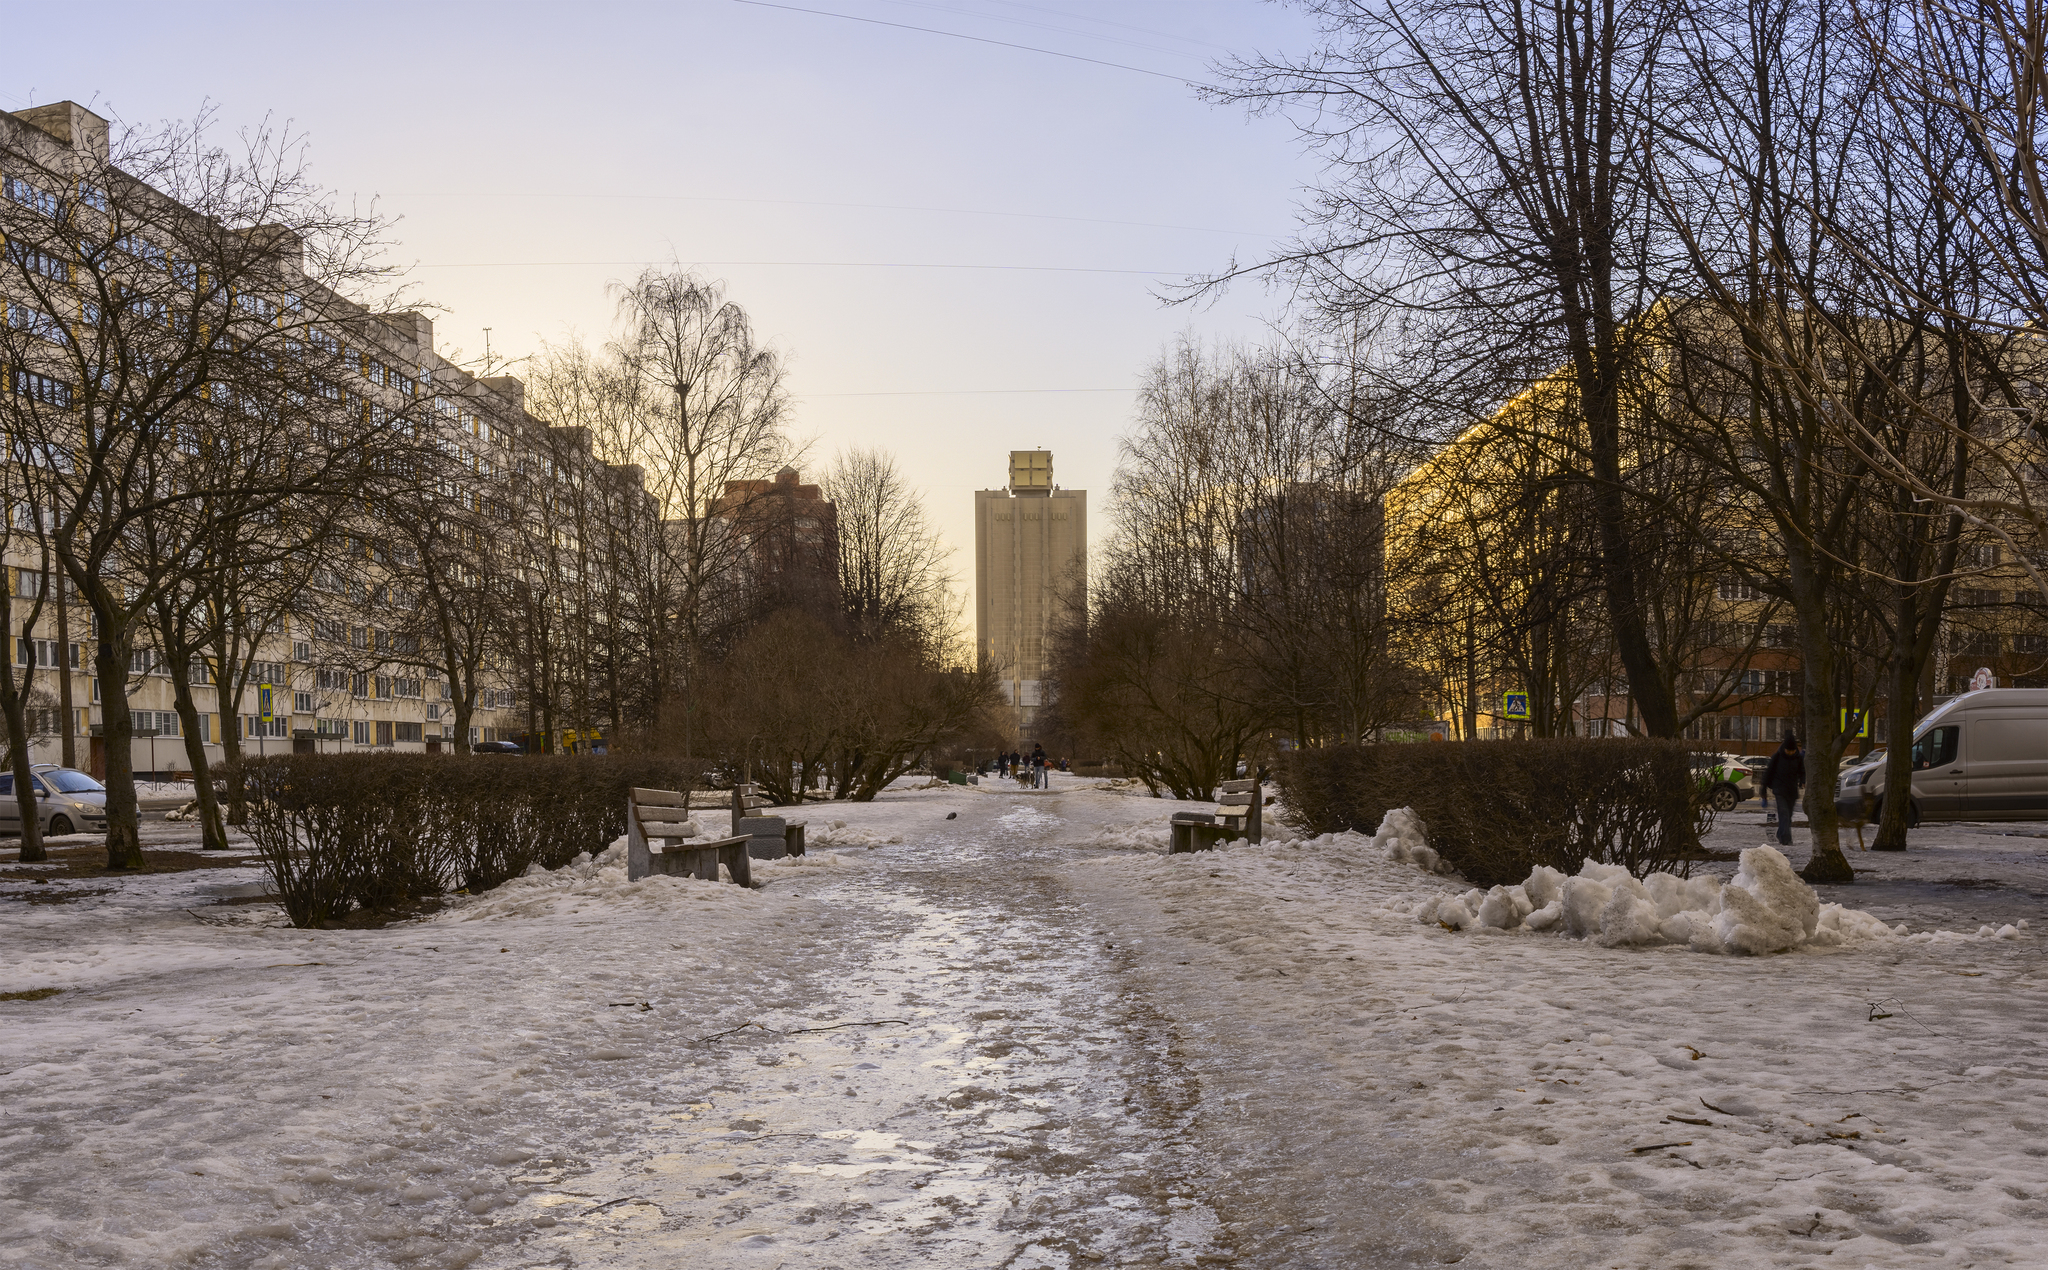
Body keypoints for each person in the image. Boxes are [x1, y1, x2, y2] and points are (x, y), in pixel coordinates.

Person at [1761, 733, 1805, 847]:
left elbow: (1802, 771)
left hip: (1792, 791)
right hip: (1779, 790)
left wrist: (1802, 781)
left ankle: (1781, 833)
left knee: (1788, 816)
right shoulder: (1777, 757)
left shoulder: (1798, 758)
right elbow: (1768, 773)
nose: (1790, 753)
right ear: (1784, 748)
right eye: (1788, 750)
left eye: (1792, 751)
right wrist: (1763, 789)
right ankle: (1786, 840)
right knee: (1784, 815)